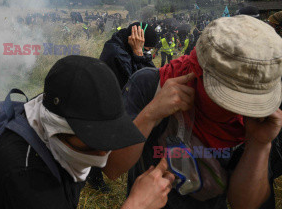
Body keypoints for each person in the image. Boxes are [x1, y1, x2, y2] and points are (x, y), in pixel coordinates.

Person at [118, 16, 282, 209]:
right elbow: (114, 166)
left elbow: (244, 204)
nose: (236, 110)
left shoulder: (260, 119)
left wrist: (260, 144)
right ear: (199, 68)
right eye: (228, 96)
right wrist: (151, 114)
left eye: (248, 100)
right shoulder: (149, 85)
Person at [0, 56, 175, 209]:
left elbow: (112, 168)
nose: (102, 152)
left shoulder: (48, 123)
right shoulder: (25, 175)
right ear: (58, 127)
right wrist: (136, 205)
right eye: (91, 139)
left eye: (106, 138)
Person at [88, 22, 157, 192]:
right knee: (102, 140)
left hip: (113, 102)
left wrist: (140, 54)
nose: (149, 53)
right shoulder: (116, 52)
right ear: (135, 39)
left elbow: (153, 76)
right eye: (147, 48)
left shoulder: (122, 46)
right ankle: (93, 178)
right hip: (106, 105)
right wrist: (139, 54)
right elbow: (139, 80)